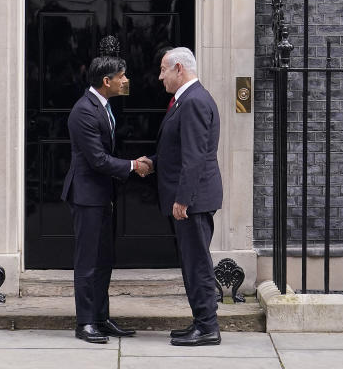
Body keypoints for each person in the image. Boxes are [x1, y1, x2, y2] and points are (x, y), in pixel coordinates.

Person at [62, 55, 151, 344]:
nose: (126, 81)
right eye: (122, 76)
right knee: (88, 261)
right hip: (87, 196)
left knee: (103, 260)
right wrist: (133, 166)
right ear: (107, 81)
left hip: (101, 195)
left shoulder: (104, 106)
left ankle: (100, 318)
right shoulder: (84, 111)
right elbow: (97, 160)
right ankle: (85, 322)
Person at [143, 47, 223, 346]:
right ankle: (201, 322)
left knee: (197, 263)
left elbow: (194, 157)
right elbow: (177, 151)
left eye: (164, 69)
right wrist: (153, 162)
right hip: (193, 196)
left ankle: (207, 327)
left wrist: (183, 199)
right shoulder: (187, 100)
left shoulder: (193, 102)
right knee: (192, 262)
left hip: (194, 200)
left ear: (179, 68)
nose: (160, 76)